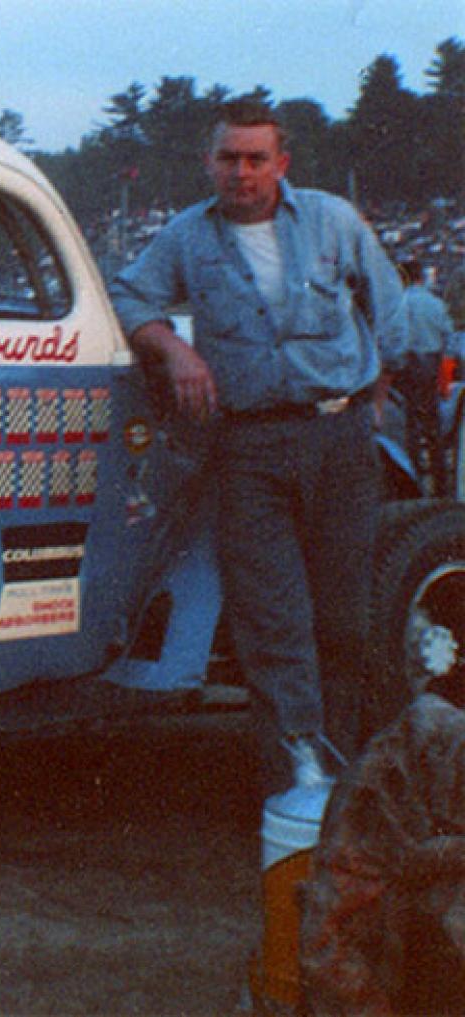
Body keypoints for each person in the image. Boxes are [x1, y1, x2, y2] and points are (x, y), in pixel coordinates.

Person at [108, 99, 408, 793]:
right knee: (275, 622)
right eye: (228, 158)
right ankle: (296, 786)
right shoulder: (187, 235)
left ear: (281, 163)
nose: (241, 172)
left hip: (340, 438)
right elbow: (130, 297)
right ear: (208, 162)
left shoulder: (331, 218)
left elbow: (389, 308)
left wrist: (377, 396)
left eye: (255, 159)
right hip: (248, 448)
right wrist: (176, 350)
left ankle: (341, 781)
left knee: (343, 619)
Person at [397, 258, 454, 494]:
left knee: (409, 423)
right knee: (432, 422)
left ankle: (412, 479)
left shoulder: (399, 303)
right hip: (430, 365)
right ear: (422, 276)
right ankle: (440, 481)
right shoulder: (435, 304)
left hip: (406, 366)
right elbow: (449, 338)